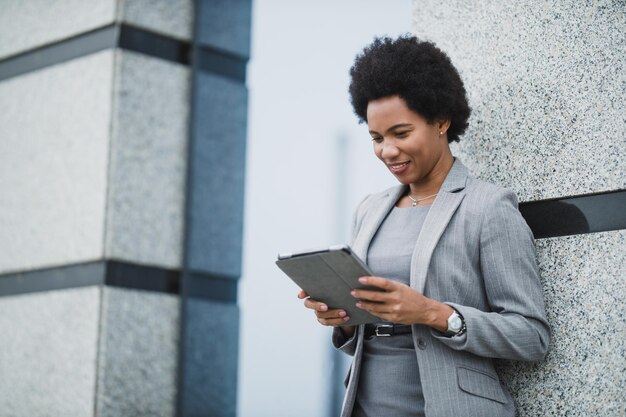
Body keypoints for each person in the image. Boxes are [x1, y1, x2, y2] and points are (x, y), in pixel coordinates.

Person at [297, 36, 550, 417]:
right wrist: (343, 321)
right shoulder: (370, 209)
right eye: (376, 138)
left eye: (401, 133)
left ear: (441, 121)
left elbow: (531, 336)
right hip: (367, 405)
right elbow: (371, 331)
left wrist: (433, 313)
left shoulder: (486, 206)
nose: (388, 151)